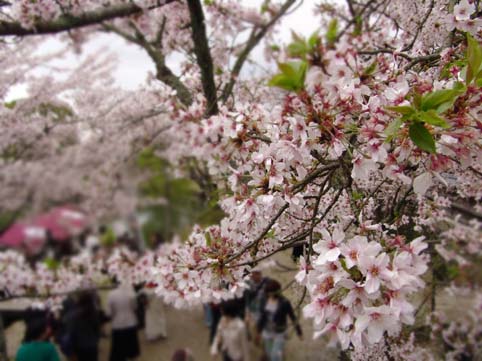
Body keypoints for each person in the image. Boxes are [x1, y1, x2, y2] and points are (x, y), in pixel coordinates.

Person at [257, 280, 302, 361]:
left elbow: (292, 317)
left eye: (271, 292)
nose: (270, 294)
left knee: (275, 356)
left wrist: (299, 331)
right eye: (268, 292)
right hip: (267, 331)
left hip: (279, 332)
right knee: (269, 353)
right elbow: (262, 317)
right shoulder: (264, 301)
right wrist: (259, 330)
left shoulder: (284, 302)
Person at [107, 283, 141, 361]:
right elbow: (135, 307)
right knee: (132, 351)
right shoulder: (131, 293)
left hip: (117, 324)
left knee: (118, 351)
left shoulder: (111, 294)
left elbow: (109, 312)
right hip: (131, 323)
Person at [68, 291, 101, 361]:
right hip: (92, 345)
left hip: (80, 346)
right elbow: (97, 330)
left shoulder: (74, 315)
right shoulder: (93, 313)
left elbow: (72, 333)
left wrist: (71, 350)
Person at [244, 270, 270, 340]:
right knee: (249, 323)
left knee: (261, 325)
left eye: (256, 274)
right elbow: (247, 298)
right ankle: (251, 334)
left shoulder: (266, 282)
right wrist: (247, 311)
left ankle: (259, 336)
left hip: (263, 308)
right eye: (253, 274)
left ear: (260, 274)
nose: (254, 276)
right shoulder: (248, 284)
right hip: (252, 307)